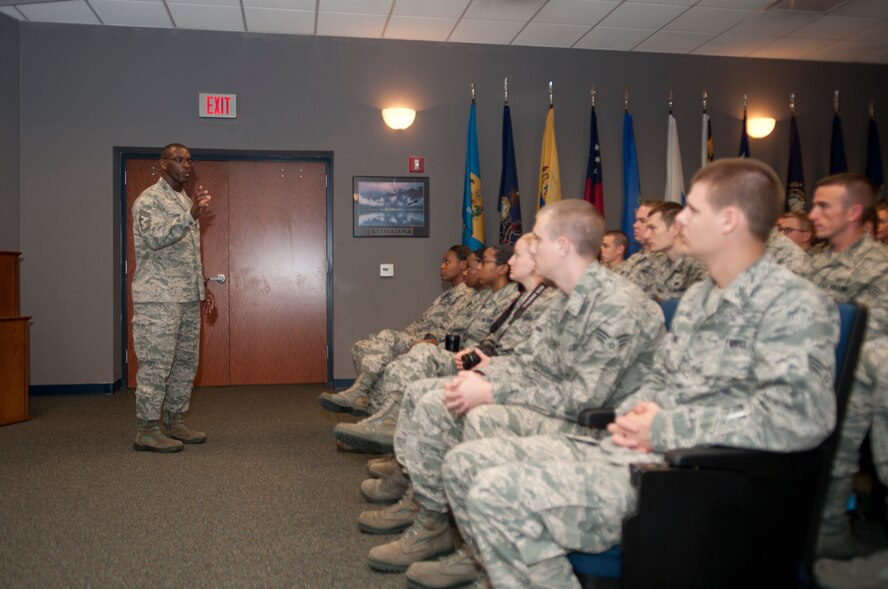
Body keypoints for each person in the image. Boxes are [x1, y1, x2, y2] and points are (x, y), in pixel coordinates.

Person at [441, 158, 839, 589]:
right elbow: (659, 382)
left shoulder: (792, 303)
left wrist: (664, 427)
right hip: (634, 454)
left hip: (690, 481)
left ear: (729, 220)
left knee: (493, 495)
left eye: (693, 210)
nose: (680, 218)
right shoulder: (700, 299)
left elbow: (801, 417)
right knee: (464, 464)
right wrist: (632, 416)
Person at [365, 200, 664, 580]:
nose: (530, 248)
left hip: (601, 433)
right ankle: (458, 539)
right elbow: (528, 364)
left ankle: (491, 557)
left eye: (537, 238)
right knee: (449, 403)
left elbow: (586, 400)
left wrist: (491, 393)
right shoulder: (567, 300)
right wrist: (483, 381)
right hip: (565, 416)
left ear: (562, 246)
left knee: (484, 417)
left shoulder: (617, 304)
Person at [351, 236, 558, 509]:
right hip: (487, 366)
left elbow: (534, 363)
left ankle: (418, 496)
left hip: (512, 384)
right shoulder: (522, 298)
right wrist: (480, 355)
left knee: (429, 390)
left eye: (516, 256)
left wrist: (488, 367)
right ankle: (402, 467)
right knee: (417, 389)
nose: (510, 262)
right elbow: (496, 340)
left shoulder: (550, 302)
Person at [332, 244, 520, 458]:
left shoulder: (510, 299)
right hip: (456, 353)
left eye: (480, 263)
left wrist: (432, 344)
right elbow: (445, 328)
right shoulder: (482, 297)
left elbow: (492, 343)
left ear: (502, 268)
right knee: (397, 359)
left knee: (420, 354)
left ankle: (389, 432)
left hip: (473, 361)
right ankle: (380, 423)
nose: (472, 270)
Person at [806, 173, 888, 560]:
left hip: (853, 375)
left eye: (823, 205)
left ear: (854, 211)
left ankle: (831, 536)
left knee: (836, 458)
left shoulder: (878, 265)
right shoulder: (819, 263)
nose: (813, 214)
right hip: (812, 371)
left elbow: (872, 333)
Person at [317, 245, 474, 416]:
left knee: (387, 336)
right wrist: (403, 337)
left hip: (433, 347)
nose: (441, 266)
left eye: (447, 262)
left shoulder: (467, 295)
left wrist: (419, 341)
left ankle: (360, 392)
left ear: (464, 265)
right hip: (417, 340)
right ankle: (375, 404)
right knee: (361, 347)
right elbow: (422, 322)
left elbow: (452, 332)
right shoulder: (445, 296)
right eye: (442, 262)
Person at [131, 143, 214, 453]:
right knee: (156, 365)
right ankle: (147, 429)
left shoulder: (183, 200)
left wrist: (202, 287)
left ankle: (174, 420)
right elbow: (154, 239)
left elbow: (189, 253)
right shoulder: (149, 201)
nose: (186, 165)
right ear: (163, 164)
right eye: (179, 160)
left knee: (184, 363)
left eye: (189, 160)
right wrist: (190, 216)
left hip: (186, 297)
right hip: (158, 299)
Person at [633, 201, 708, 302]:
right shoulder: (654, 263)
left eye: (653, 228)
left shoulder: (700, 264)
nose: (647, 236)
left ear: (676, 229)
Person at [615, 200, 661, 279]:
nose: (634, 225)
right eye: (636, 220)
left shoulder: (666, 260)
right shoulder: (634, 257)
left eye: (642, 221)